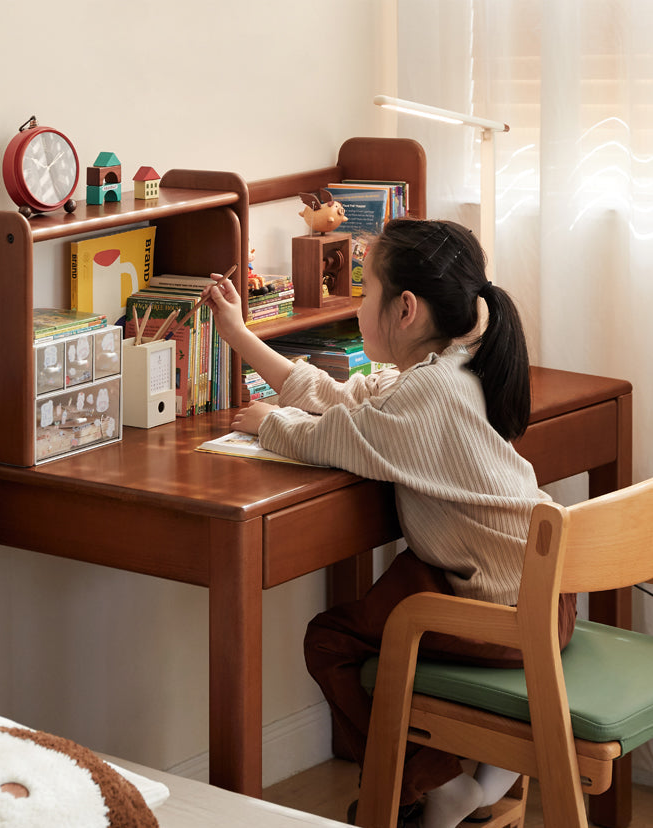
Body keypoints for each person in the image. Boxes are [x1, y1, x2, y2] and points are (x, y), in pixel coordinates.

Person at [201, 218, 576, 828]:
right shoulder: (454, 365)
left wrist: (268, 424)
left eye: (365, 291)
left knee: (331, 641)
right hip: (541, 595)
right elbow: (341, 398)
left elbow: (328, 437)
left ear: (404, 309)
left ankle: (436, 784)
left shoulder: (427, 395)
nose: (356, 306)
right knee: (400, 585)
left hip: (505, 617)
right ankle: (461, 785)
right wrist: (239, 334)